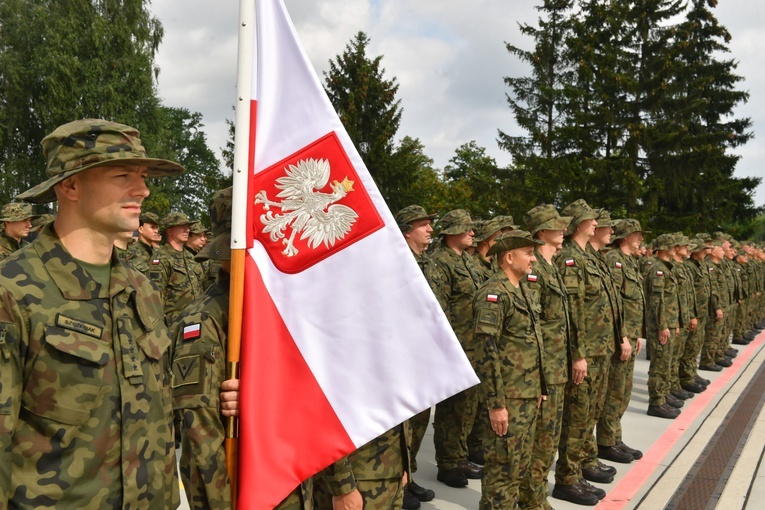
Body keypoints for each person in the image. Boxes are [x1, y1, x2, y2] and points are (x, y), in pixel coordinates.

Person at [0, 118, 195, 508]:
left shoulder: (141, 288)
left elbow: (156, 407)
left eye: (142, 176)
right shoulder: (13, 290)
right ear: (70, 185)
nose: (143, 189)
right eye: (123, 174)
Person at [172, 187, 309, 509]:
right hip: (240, 487)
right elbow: (203, 435)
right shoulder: (205, 319)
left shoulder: (277, 308)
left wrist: (258, 395)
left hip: (290, 478)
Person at [473, 230, 546, 509]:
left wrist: (539, 388)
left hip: (527, 394)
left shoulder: (523, 289)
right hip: (508, 398)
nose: (533, 258)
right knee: (502, 468)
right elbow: (487, 353)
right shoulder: (493, 294)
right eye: (528, 253)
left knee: (519, 465)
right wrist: (496, 404)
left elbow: (532, 343)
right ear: (509, 256)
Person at [517, 205, 583, 508]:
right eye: (557, 226)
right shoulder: (534, 273)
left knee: (549, 438)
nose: (563, 231)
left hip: (557, 368)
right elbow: (533, 328)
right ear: (542, 232)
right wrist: (540, 376)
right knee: (541, 440)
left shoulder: (551, 267)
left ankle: (537, 497)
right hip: (545, 371)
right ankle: (532, 500)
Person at [553, 199, 617, 505]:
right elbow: (573, 311)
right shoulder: (570, 259)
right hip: (585, 351)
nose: (596, 224)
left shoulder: (590, 257)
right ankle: (566, 479)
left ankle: (581, 466)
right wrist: (577, 354)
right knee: (577, 416)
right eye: (591, 220)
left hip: (599, 348)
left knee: (590, 412)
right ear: (580, 224)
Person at [427, 209, 484, 487]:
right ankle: (447, 463)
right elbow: (439, 309)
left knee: (468, 405)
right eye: (466, 228)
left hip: (475, 346)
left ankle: (460, 455)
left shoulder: (468, 261)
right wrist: (448, 350)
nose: (472, 233)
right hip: (456, 346)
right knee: (452, 408)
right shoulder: (440, 262)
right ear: (451, 233)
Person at [394, 205, 440, 509]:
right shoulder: (397, 263)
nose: (431, 229)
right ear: (408, 229)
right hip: (405, 356)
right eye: (424, 225)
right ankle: (398, 485)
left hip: (425, 354)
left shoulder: (426, 263)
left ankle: (408, 475)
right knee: (404, 424)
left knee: (420, 421)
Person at [598, 219, 648, 463]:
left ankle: (615, 437)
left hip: (630, 333)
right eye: (636, 234)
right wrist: (623, 336)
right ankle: (606, 442)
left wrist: (635, 334)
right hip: (620, 336)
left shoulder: (631, 261)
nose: (640, 238)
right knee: (615, 390)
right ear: (624, 236)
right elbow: (615, 302)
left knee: (624, 390)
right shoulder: (613, 259)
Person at [645, 233, 682, 419]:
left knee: (666, 362)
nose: (675, 248)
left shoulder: (666, 268)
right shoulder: (657, 269)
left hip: (668, 322)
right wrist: (662, 325)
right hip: (661, 324)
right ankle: (656, 402)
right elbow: (656, 300)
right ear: (664, 248)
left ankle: (664, 396)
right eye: (672, 246)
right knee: (659, 363)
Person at [150, 211, 205, 325]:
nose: (187, 230)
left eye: (187, 227)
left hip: (195, 319)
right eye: (182, 227)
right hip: (173, 324)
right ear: (169, 231)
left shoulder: (191, 257)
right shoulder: (161, 258)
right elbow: (155, 297)